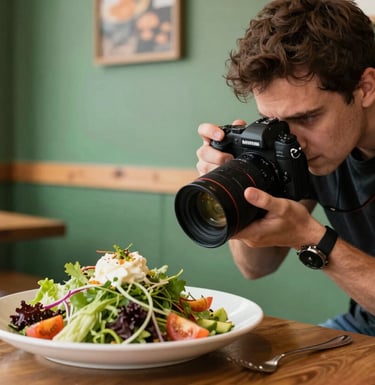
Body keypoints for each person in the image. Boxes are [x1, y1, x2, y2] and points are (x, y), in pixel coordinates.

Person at [196, 0, 375, 335]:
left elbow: (306, 237)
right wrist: (236, 189)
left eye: (307, 117)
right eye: (275, 122)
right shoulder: (305, 147)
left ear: (365, 88)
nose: (295, 141)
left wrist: (311, 238)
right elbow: (255, 267)